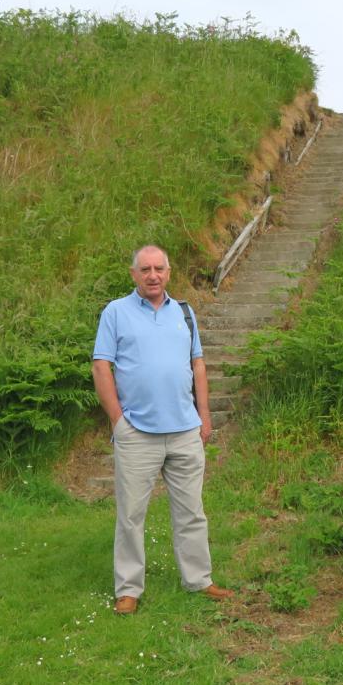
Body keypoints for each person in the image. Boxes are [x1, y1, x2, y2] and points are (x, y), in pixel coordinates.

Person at [92, 245, 234, 615]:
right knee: (131, 515)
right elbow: (101, 368)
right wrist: (118, 421)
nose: (152, 275)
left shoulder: (184, 313)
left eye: (159, 268)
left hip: (185, 430)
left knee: (191, 511)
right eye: (145, 269)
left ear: (169, 273)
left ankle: (198, 580)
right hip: (137, 432)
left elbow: (197, 364)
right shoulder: (116, 313)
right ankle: (129, 589)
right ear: (133, 274)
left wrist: (203, 414)